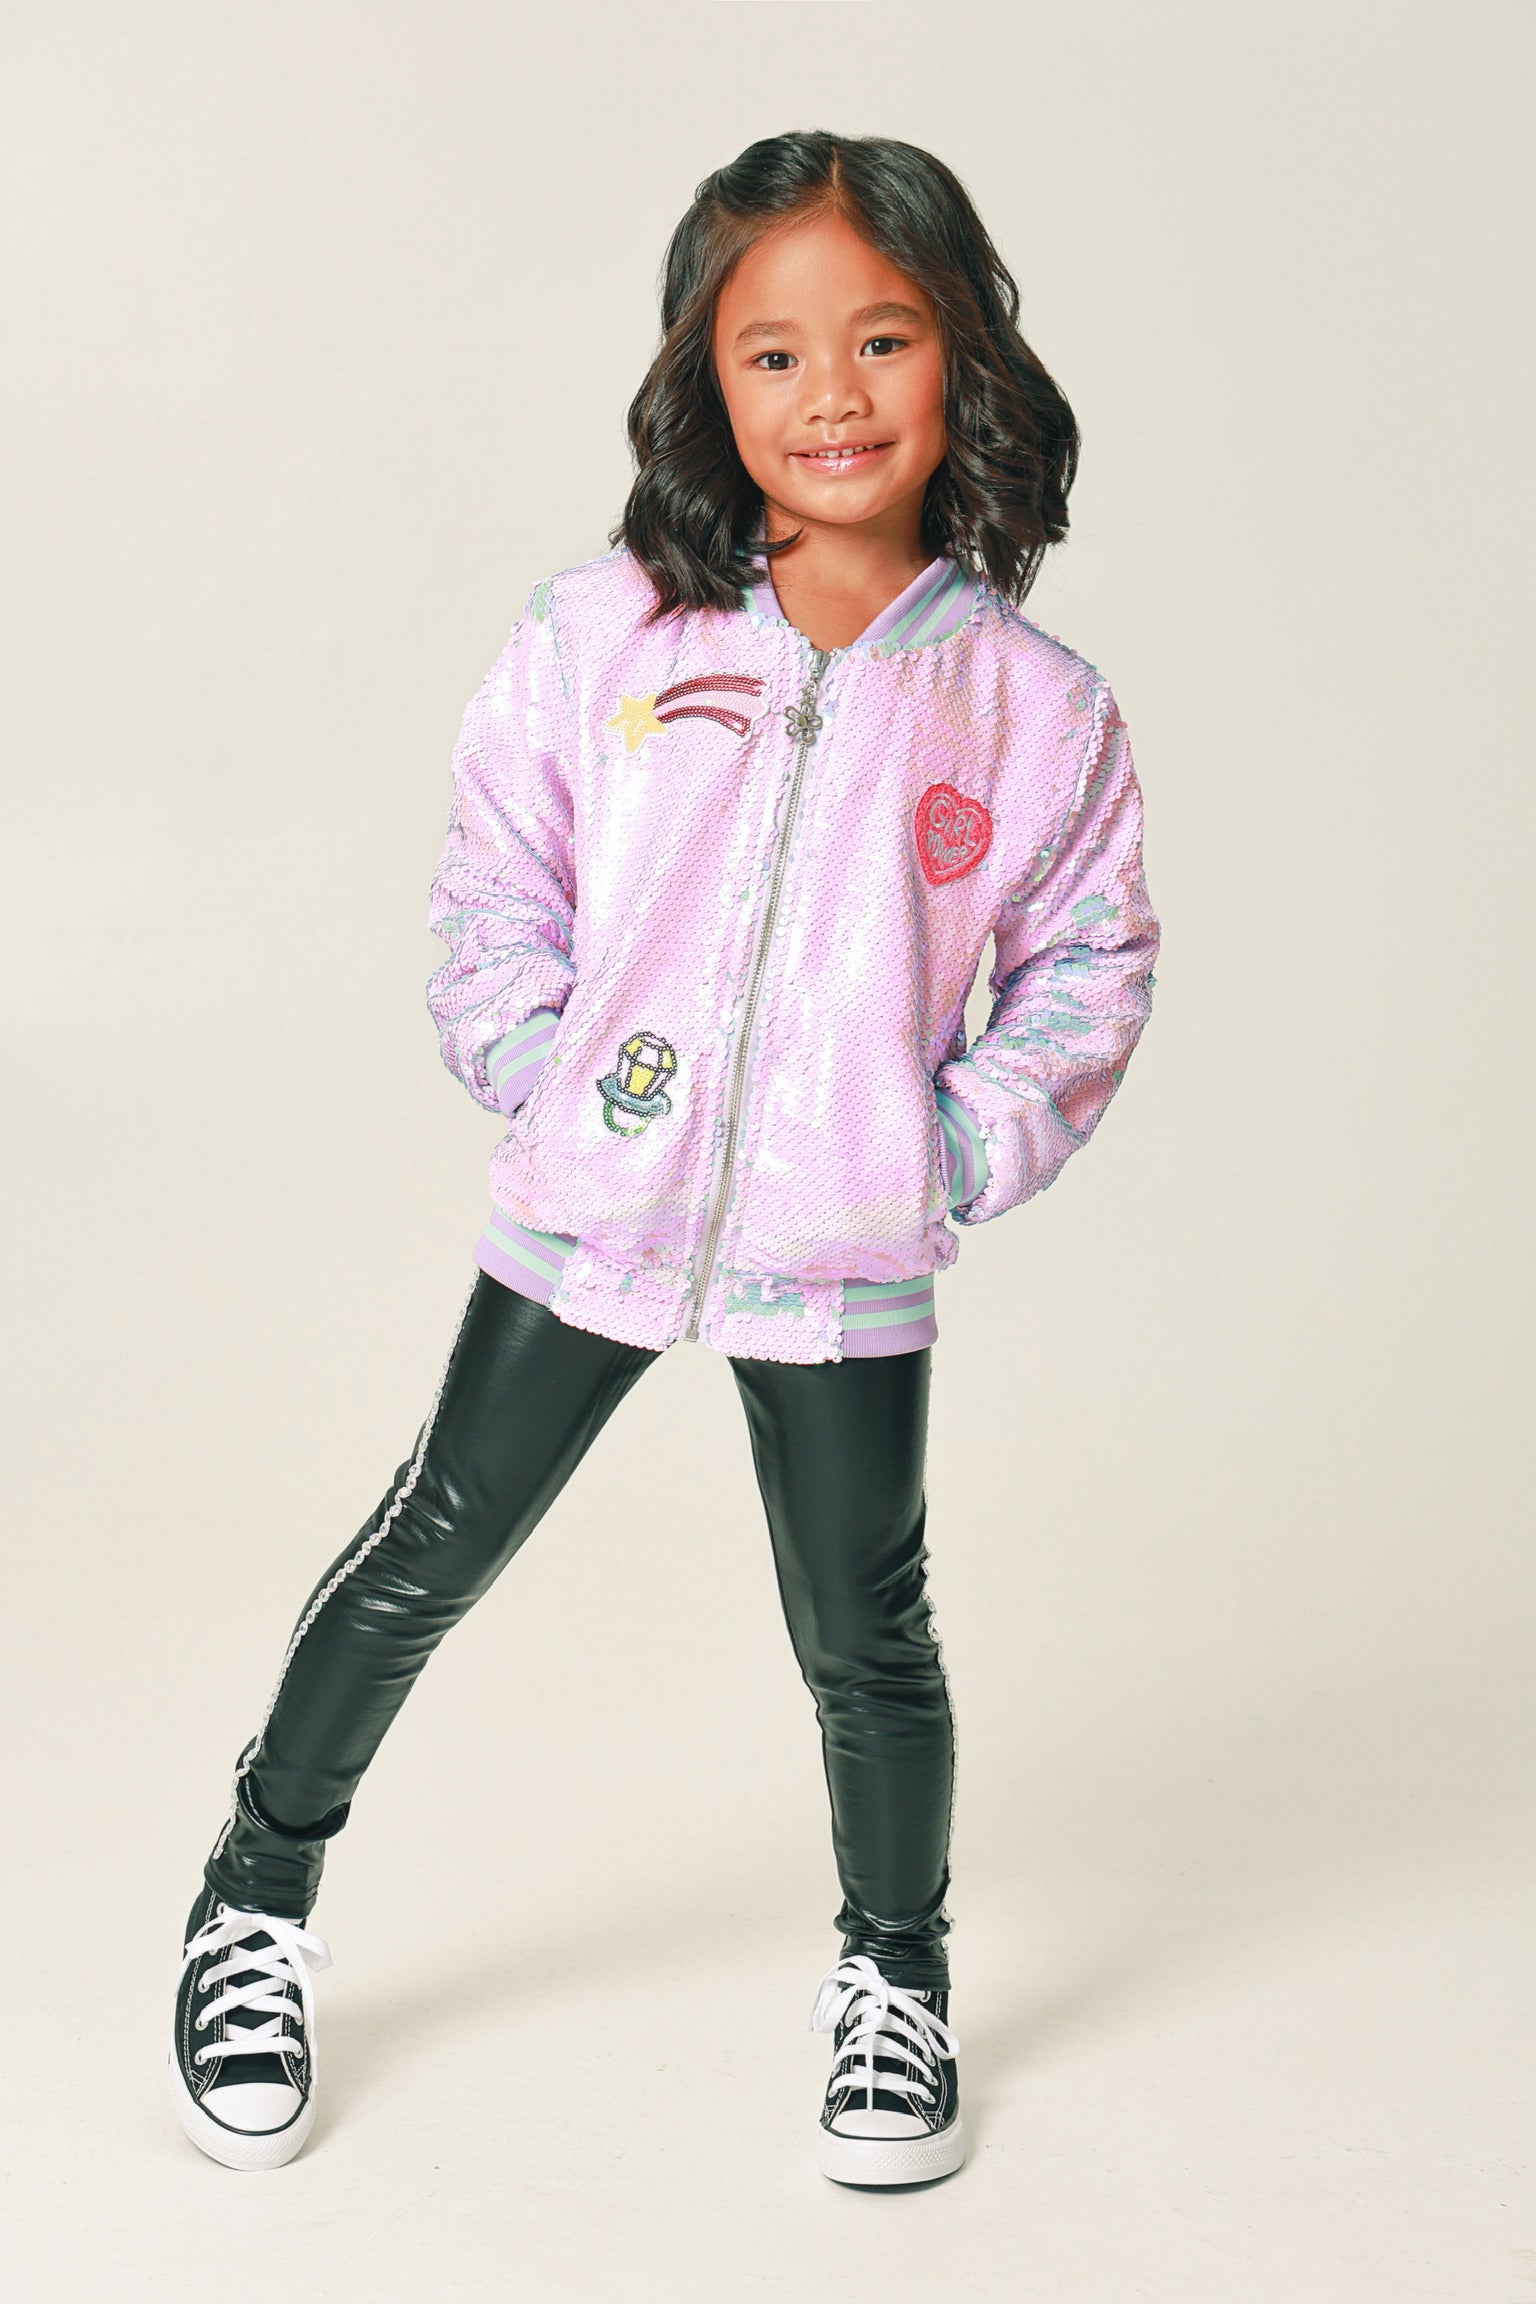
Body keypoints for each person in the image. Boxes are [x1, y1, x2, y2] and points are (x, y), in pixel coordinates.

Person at [168, 128, 1159, 2188]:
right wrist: (549, 1080)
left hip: (847, 1245)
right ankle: (254, 1895)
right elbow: (495, 878)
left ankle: (897, 1980)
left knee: (868, 1637)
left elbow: (1090, 965)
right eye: (773, 353)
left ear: (965, 354)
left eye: (883, 338)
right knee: (430, 1547)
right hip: (589, 1213)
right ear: (708, 380)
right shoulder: (607, 632)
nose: (832, 395)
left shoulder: (1030, 707)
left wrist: (941, 1148)